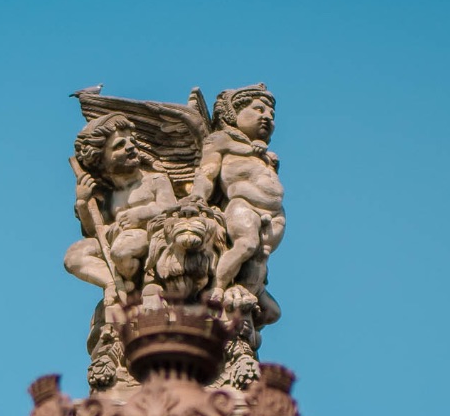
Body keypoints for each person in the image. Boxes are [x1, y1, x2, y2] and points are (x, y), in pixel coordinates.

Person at [63, 113, 177, 306]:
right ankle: (111, 282)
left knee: (122, 250)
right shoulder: (107, 196)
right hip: (115, 243)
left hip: (147, 238)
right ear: (101, 160)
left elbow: (171, 209)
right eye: (119, 146)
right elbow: (94, 231)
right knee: (74, 255)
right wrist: (83, 202)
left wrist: (140, 214)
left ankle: (140, 283)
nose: (131, 147)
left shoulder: (154, 180)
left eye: (131, 141)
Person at [192, 85, 284, 301]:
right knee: (246, 245)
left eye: (271, 114)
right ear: (234, 114)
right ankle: (218, 288)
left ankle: (245, 295)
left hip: (275, 213)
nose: (267, 117)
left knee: (260, 255)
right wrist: (197, 197)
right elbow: (207, 173)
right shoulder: (222, 141)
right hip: (243, 205)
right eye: (259, 110)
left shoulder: (265, 154)